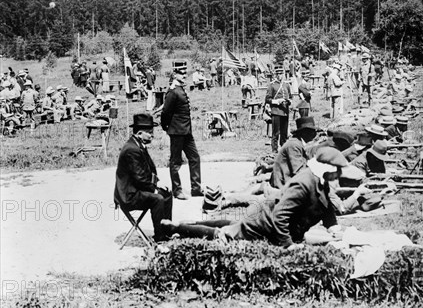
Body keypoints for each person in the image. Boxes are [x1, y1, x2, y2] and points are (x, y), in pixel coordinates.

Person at [160, 147, 348, 249]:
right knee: (225, 234)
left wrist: (335, 229)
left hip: (264, 217)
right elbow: (280, 215)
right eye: (337, 171)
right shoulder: (305, 182)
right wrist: (288, 245)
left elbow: (326, 207)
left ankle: (189, 222)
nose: (339, 175)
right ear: (327, 169)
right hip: (263, 224)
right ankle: (178, 227)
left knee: (233, 226)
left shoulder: (319, 181)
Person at [114, 113, 173, 243]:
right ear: (140, 133)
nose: (152, 135)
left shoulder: (138, 145)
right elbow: (139, 178)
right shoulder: (132, 150)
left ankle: (167, 231)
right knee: (157, 198)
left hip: (136, 189)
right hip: (129, 195)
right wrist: (154, 190)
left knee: (167, 194)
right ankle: (160, 238)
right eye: (150, 132)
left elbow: (146, 172)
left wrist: (158, 186)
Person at [161, 73, 203, 200]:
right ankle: (177, 190)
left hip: (186, 132)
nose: (185, 76)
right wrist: (165, 127)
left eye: (185, 74)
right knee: (175, 161)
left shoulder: (180, 89)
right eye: (182, 75)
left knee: (195, 157)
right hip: (177, 131)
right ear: (175, 77)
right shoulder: (173, 92)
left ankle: (196, 189)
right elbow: (166, 112)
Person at [270, 116, 317, 189]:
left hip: (288, 178)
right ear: (303, 132)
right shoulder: (293, 145)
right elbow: (298, 171)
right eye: (311, 131)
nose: (314, 134)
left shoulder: (298, 143)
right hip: (282, 182)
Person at [265, 66, 291, 153]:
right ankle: (274, 151)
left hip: (285, 112)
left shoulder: (286, 85)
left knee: (284, 134)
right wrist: (277, 101)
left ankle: (284, 151)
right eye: (278, 74)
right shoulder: (272, 85)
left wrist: (288, 101)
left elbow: (290, 97)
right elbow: (267, 99)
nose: (280, 75)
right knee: (275, 133)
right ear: (275, 75)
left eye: (281, 73)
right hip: (276, 111)